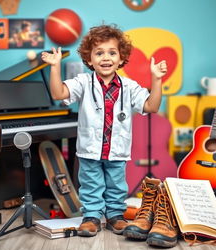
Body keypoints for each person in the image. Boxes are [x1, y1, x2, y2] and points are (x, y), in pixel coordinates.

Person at [41, 24, 167, 237]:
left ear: (121, 58)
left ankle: (115, 217)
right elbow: (58, 93)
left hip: (116, 149)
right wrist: (54, 67)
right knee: (90, 184)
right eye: (99, 53)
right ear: (89, 59)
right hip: (90, 149)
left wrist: (156, 79)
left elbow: (151, 106)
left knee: (117, 185)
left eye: (112, 52)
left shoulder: (130, 87)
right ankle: (91, 217)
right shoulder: (83, 82)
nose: (105, 58)